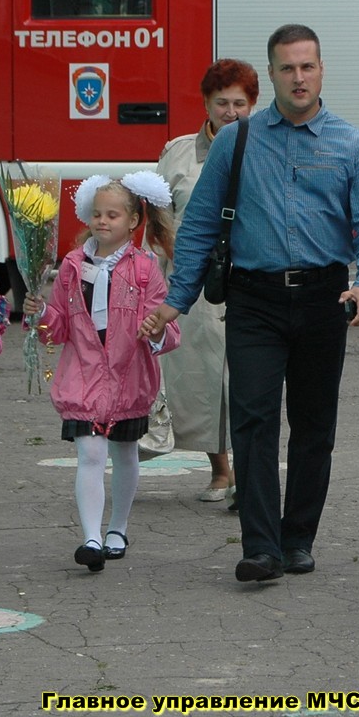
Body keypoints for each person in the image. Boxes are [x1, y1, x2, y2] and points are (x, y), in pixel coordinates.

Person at [140, 25, 359, 584]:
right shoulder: (239, 140)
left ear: (322, 70)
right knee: (252, 421)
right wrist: (174, 302)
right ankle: (260, 546)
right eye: (287, 68)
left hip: (323, 297)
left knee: (312, 425)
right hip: (253, 298)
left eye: (307, 67)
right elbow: (202, 223)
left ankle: (297, 536)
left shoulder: (352, 145)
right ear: (272, 74)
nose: (298, 78)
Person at [25, 173, 181, 572]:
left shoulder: (145, 268)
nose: (102, 221)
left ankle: (118, 527)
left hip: (128, 376)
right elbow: (58, 327)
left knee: (125, 453)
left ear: (133, 221)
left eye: (113, 214)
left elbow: (168, 324)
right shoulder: (72, 267)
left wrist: (157, 327)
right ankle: (91, 537)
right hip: (83, 374)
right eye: (97, 214)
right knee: (90, 454)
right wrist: (41, 313)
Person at [156, 59, 260, 502]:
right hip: (191, 283)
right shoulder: (177, 152)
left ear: (253, 105)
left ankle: (249, 474)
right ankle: (220, 470)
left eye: (240, 103)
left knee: (247, 378)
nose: (230, 111)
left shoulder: (265, 147)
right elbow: (155, 213)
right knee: (200, 377)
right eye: (222, 102)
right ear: (206, 103)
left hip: (249, 278)